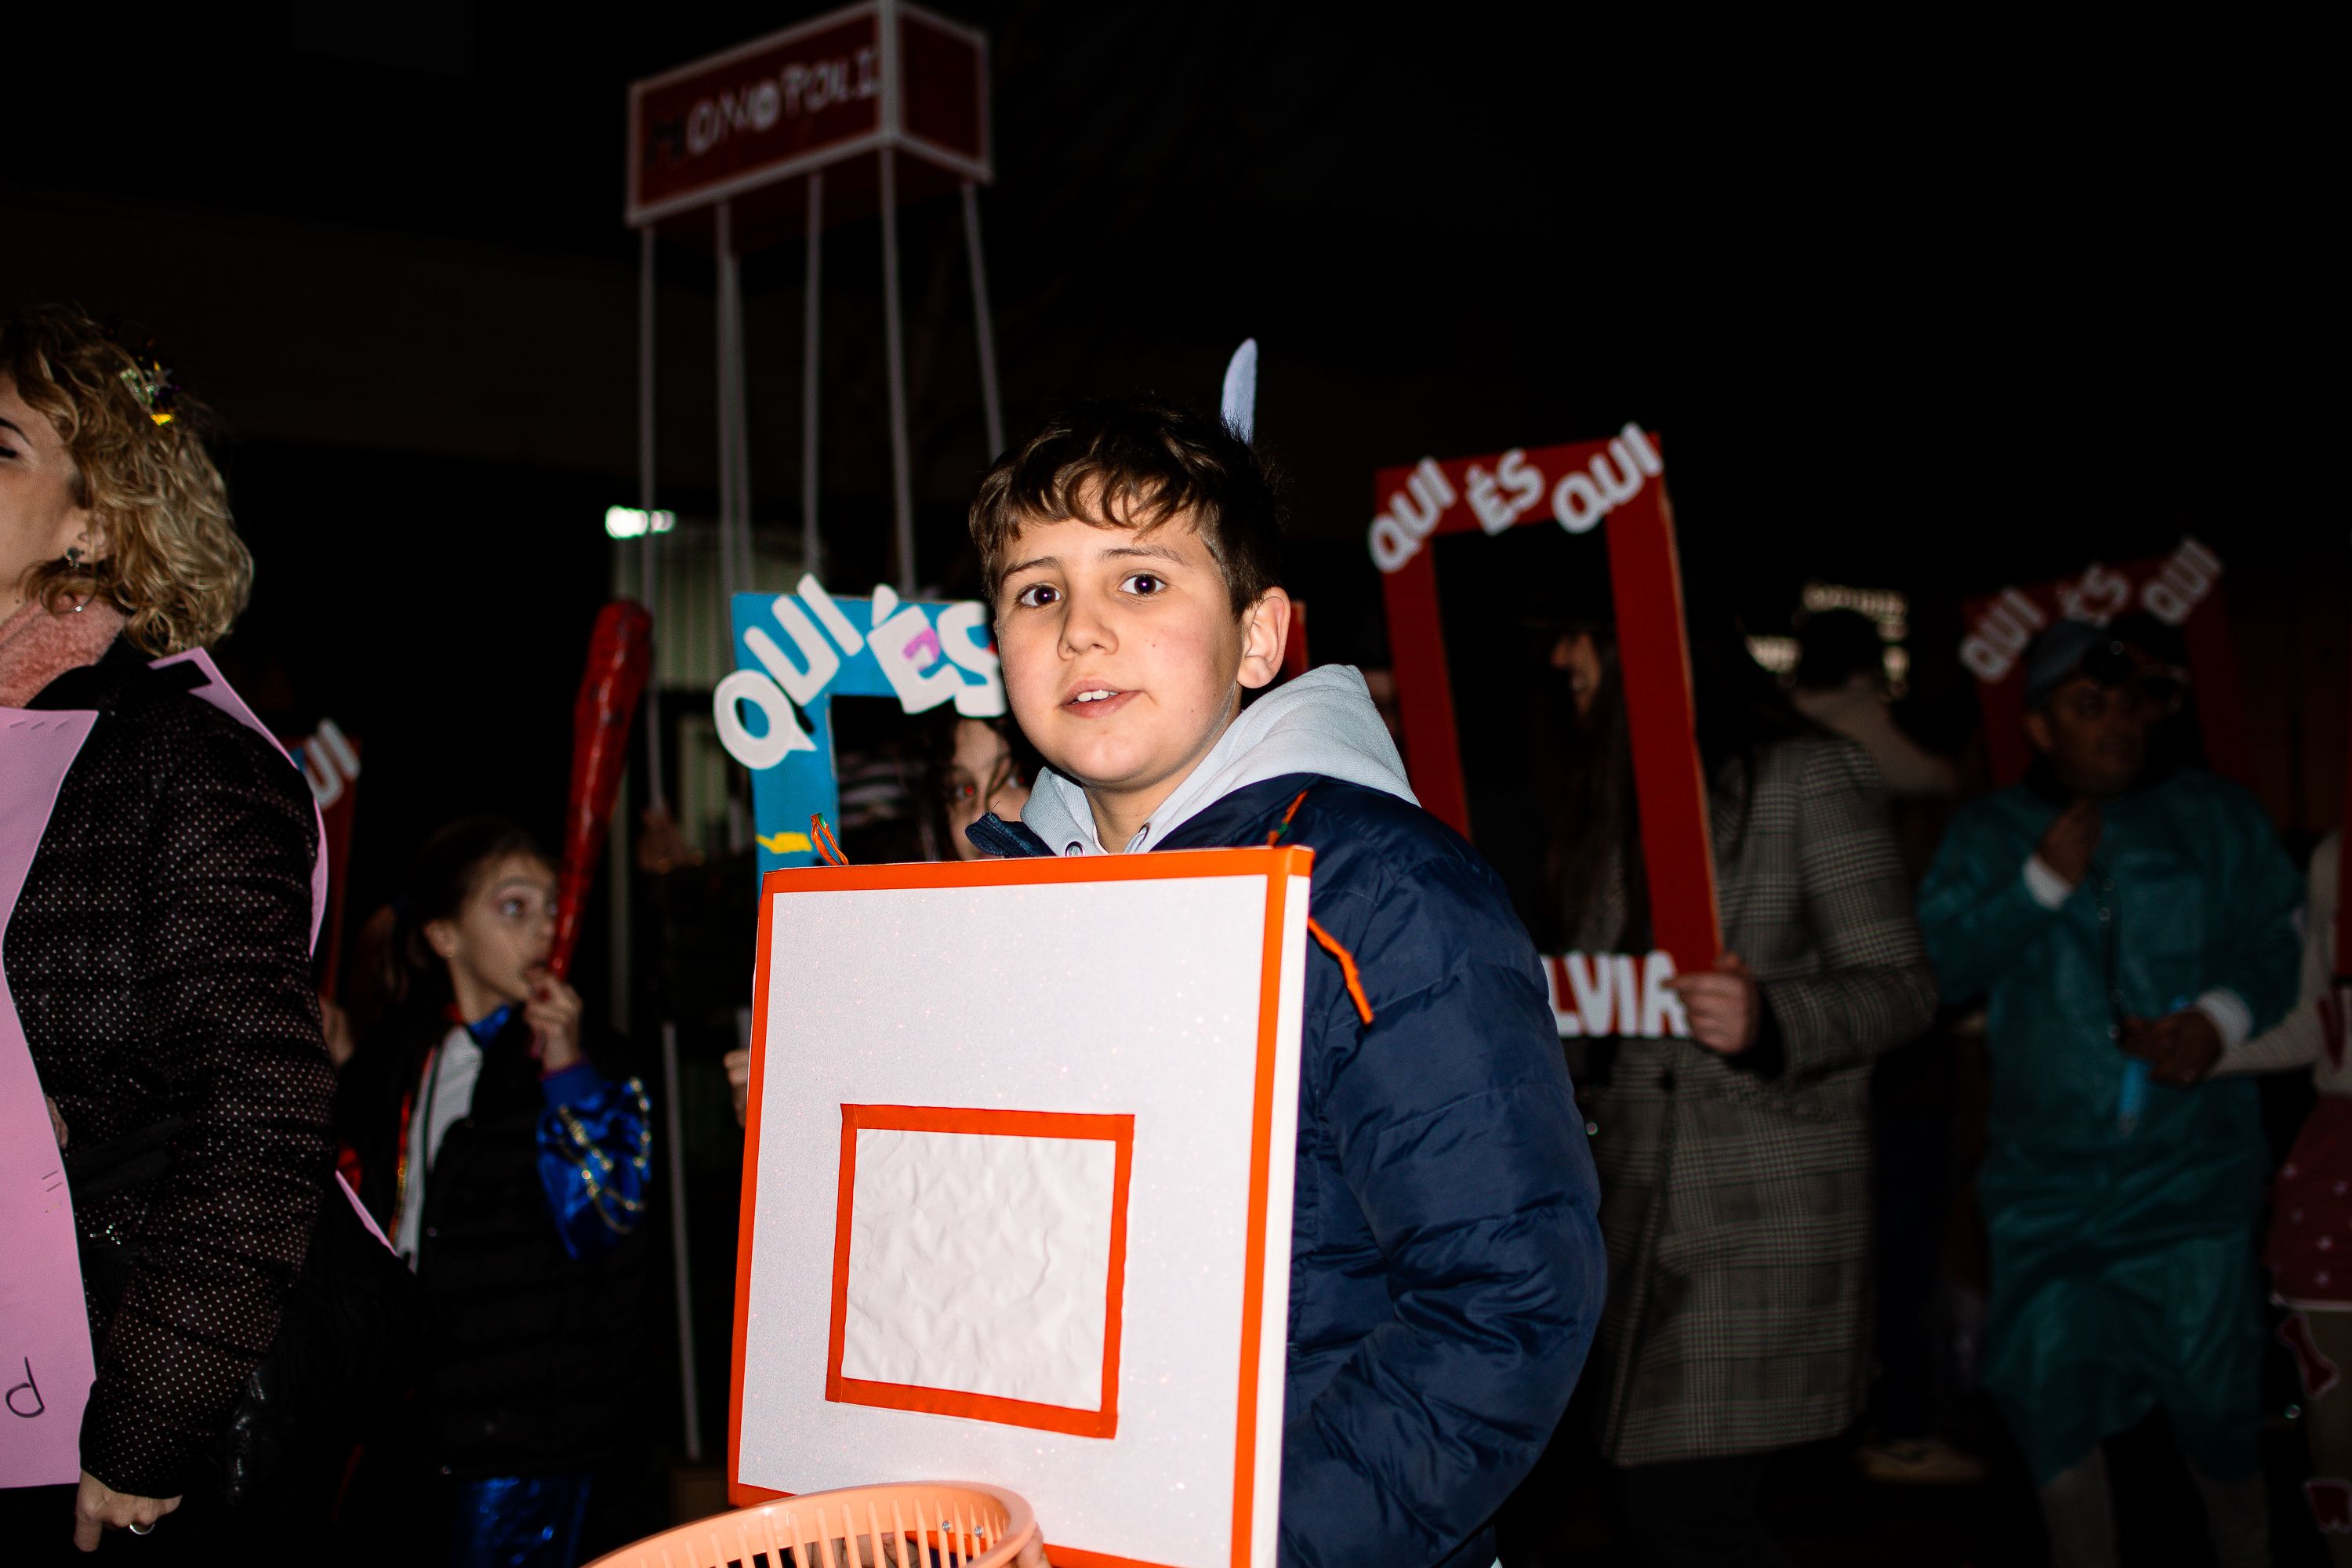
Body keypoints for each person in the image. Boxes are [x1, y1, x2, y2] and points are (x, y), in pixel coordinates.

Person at [958, 397, 1606, 1568]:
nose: (1083, 631)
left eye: (1142, 582)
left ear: (1260, 638)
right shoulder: (1005, 907)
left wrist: (1257, 1543)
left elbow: (1505, 1303)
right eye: (1038, 591)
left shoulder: (1380, 895)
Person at [0, 306, 334, 1560]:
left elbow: (256, 1106)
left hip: (84, 1408)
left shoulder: (183, 760)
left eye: (1, 444)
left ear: (95, 519)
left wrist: (147, 1426)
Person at [1549, 620, 1939, 1565]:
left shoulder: (1806, 774)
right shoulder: (1618, 790)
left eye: (1578, 639)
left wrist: (1774, 1018)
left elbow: (1901, 986)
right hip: (1639, 1213)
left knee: (1679, 1508)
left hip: (1758, 1211)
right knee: (1659, 1505)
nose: (1563, 665)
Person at [1916, 619, 2303, 1568]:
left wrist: (2214, 1019)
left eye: (2131, 703)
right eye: (2089, 707)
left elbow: (2277, 945)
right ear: (2041, 727)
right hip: (2048, 1191)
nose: (2117, 724)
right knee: (2044, 1390)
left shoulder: (2218, 817)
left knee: (2215, 1396)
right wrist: (2038, 885)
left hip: (2192, 1179)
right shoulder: (1991, 833)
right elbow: (1933, 962)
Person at [336, 818, 652, 1568]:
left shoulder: (591, 1055)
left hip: (532, 1426)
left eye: (552, 906)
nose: (546, 927)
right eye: (515, 908)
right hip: (414, 1416)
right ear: (445, 934)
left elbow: (606, 1216)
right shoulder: (402, 1054)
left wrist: (569, 1073)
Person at [1791, 607, 1979, 1487]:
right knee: (1904, 1231)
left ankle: (1848, 1417)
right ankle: (1899, 1416)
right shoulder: (1862, 744)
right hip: (1891, 1029)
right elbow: (1941, 782)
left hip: (1796, 1028)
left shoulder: (1782, 739)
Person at [2205, 829, 2350, 1563]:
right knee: (2337, 1429)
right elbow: (2310, 1023)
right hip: (2338, 1155)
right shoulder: (2336, 859)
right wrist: (2197, 1050)